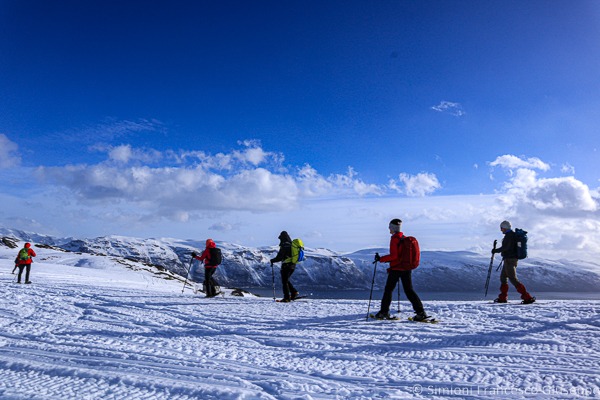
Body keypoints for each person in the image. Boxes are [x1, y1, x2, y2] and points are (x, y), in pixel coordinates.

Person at [373, 219, 428, 321]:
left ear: (393, 228)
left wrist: (381, 259)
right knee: (409, 290)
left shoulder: (395, 239)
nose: (389, 228)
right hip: (406, 268)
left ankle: (384, 312)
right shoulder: (403, 238)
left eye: (390, 227)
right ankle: (421, 312)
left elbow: (394, 256)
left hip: (396, 268)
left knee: (388, 290)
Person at [492, 220, 536, 304]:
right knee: (503, 278)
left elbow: (506, 248)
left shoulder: (509, 236)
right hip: (509, 259)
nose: (501, 230)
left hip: (510, 260)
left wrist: (495, 250)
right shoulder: (511, 235)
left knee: (513, 279)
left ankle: (527, 297)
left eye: (501, 228)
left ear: (504, 228)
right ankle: (503, 297)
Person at [270, 231, 300, 302]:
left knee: (284, 281)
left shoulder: (284, 245)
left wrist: (273, 260)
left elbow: (280, 257)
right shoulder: (291, 244)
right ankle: (294, 292)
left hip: (286, 265)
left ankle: (287, 297)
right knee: (286, 280)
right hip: (293, 265)